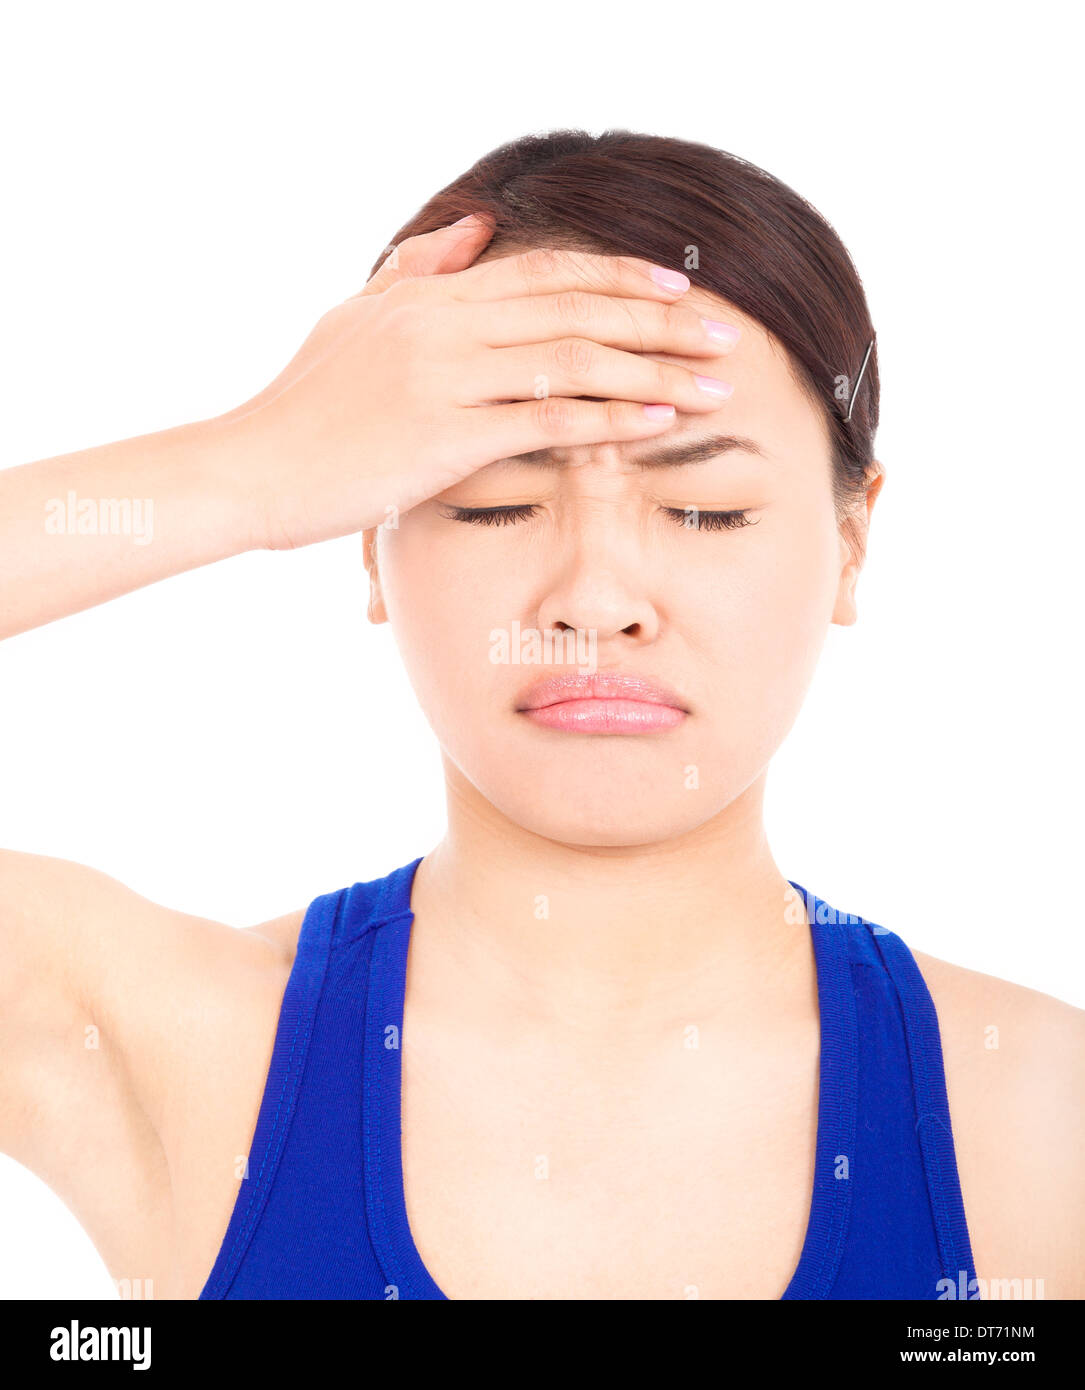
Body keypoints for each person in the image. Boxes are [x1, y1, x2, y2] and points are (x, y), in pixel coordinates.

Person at [1, 129, 1081, 1301]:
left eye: (705, 509)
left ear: (851, 542)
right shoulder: (170, 1045)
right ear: (370, 539)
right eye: (496, 499)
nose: (595, 601)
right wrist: (247, 466)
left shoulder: (1041, 1123)